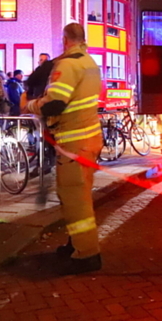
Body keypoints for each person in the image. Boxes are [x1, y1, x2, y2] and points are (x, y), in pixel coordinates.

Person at [26, 23, 103, 275]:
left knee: (74, 198)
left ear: (65, 39)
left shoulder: (68, 65)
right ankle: (75, 244)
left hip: (74, 142)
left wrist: (29, 105)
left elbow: (55, 104)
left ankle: (86, 254)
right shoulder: (89, 62)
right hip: (89, 138)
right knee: (80, 195)